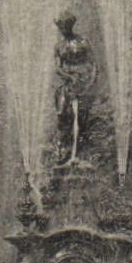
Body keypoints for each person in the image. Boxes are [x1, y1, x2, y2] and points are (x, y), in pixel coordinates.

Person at [53, 12, 97, 164]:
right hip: (68, 84)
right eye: (60, 26)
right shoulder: (59, 46)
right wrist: (69, 77)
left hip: (83, 83)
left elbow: (93, 63)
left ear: (71, 24)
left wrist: (89, 82)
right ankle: (62, 151)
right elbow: (57, 68)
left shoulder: (82, 42)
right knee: (62, 114)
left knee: (82, 118)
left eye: (64, 25)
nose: (62, 28)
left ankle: (81, 153)